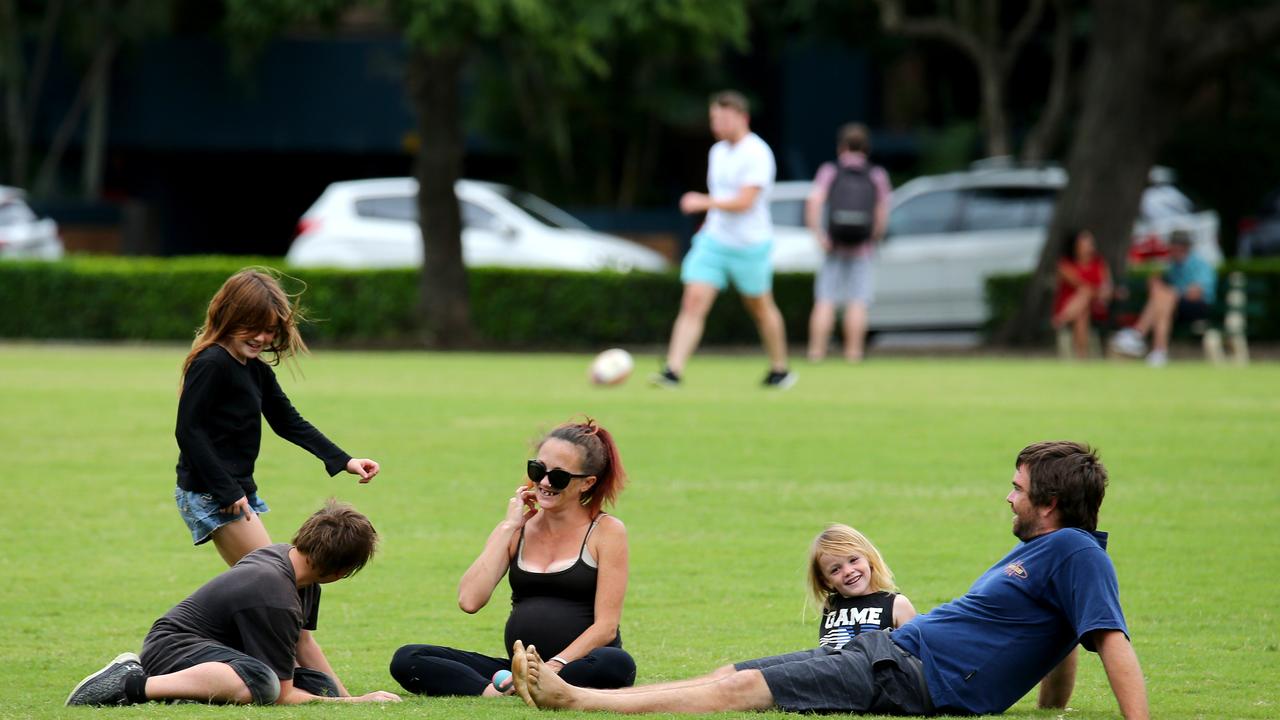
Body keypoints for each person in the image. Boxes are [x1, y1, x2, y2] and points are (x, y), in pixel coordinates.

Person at [509, 441, 1148, 719]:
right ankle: (569, 687)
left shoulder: (1073, 551)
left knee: (745, 692)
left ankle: (578, 701)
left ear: (1052, 502)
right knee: (733, 674)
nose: (1007, 497)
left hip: (909, 675)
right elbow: (1069, 634)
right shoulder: (1057, 555)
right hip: (895, 655)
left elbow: (1109, 639)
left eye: (1018, 488)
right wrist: (1051, 711)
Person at [65, 500, 401, 706]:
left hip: (207, 652)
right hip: (173, 650)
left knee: (316, 684)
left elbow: (304, 642)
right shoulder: (275, 594)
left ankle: (186, 691)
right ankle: (130, 684)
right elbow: (283, 696)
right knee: (264, 683)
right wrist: (354, 704)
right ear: (341, 572)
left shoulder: (293, 564)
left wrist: (343, 697)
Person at [390, 419, 635, 697]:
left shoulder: (606, 531)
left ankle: (532, 685)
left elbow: (606, 627)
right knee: (409, 658)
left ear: (586, 483)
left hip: (576, 665)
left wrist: (552, 667)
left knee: (616, 664)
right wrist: (508, 528)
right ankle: (502, 691)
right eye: (537, 470)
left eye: (558, 476)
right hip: (518, 667)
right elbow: (469, 600)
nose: (543, 482)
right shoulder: (516, 529)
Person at [175, 268, 381, 566]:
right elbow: (188, 431)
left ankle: (230, 614)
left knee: (267, 581)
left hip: (235, 487)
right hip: (211, 490)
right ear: (230, 316)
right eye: (253, 327)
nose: (262, 337)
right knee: (275, 576)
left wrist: (344, 460)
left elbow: (288, 421)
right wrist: (227, 490)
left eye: (269, 330)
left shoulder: (256, 369)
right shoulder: (212, 363)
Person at [651, 90, 795, 389]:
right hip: (714, 241)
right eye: (714, 118)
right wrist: (708, 222)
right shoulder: (717, 152)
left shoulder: (757, 153)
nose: (717, 124)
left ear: (742, 118)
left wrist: (703, 203)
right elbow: (721, 199)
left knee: (759, 305)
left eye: (724, 118)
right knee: (693, 302)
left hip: (750, 243)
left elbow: (744, 201)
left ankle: (780, 368)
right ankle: (672, 371)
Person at [805, 123, 892, 363]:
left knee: (825, 300)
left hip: (833, 245)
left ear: (841, 146)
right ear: (867, 148)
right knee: (858, 301)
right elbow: (882, 210)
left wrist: (819, 235)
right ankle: (853, 354)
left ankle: (816, 353)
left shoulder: (830, 171)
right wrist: (874, 237)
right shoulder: (876, 174)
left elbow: (813, 202)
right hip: (861, 247)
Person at [1111, 230, 1216, 367]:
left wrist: (1171, 293)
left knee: (1166, 297)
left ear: (1185, 247)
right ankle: (1159, 352)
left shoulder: (1200, 264)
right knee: (1162, 301)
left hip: (1198, 307)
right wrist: (1156, 284)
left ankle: (1137, 334)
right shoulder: (1173, 266)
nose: (1173, 249)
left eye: (1177, 245)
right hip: (1174, 306)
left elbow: (1196, 293)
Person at [808, 524, 916, 649]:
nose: (848, 571)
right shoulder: (831, 606)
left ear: (869, 558)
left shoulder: (896, 604)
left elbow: (915, 658)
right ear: (826, 581)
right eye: (835, 569)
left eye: (853, 560)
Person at [1052, 228, 1113, 359]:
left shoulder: (1099, 263)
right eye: (1085, 243)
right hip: (1070, 303)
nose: (1089, 247)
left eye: (1090, 243)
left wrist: (1099, 293)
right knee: (1083, 309)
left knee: (1085, 295)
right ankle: (1082, 357)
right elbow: (1078, 283)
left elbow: (1106, 288)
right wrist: (1096, 292)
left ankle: (1061, 320)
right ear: (1075, 246)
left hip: (1095, 305)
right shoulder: (1065, 265)